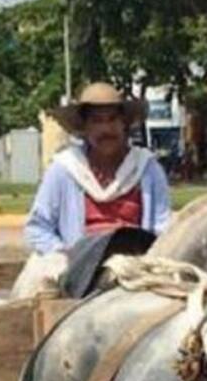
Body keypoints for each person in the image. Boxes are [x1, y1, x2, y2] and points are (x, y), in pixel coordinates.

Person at [24, 83, 172, 254]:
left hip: (136, 268)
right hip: (78, 266)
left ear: (124, 124)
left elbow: (163, 227)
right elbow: (37, 228)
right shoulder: (65, 169)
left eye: (112, 119)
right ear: (84, 127)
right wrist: (63, 256)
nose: (106, 129)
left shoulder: (147, 169)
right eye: (97, 121)